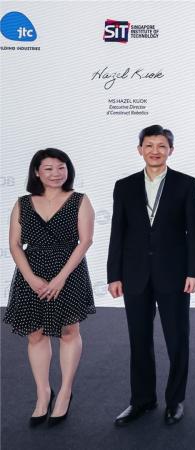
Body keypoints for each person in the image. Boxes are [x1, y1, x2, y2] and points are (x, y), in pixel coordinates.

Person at [107, 125, 195, 426]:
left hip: (174, 273)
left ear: (170, 150)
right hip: (134, 273)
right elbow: (117, 232)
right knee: (139, 340)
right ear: (140, 150)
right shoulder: (124, 186)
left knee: (177, 339)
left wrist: (194, 271)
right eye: (149, 145)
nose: (155, 151)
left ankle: (175, 401)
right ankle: (142, 400)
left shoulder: (186, 184)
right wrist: (114, 274)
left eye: (161, 146)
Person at [4, 148, 96, 426]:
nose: (56, 173)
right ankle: (43, 393)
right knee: (35, 334)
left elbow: (85, 241)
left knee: (69, 331)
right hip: (31, 273)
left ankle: (65, 391)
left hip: (69, 271)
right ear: (36, 172)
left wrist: (60, 278)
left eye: (61, 167)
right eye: (49, 168)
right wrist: (31, 278)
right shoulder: (23, 203)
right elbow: (14, 244)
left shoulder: (79, 200)